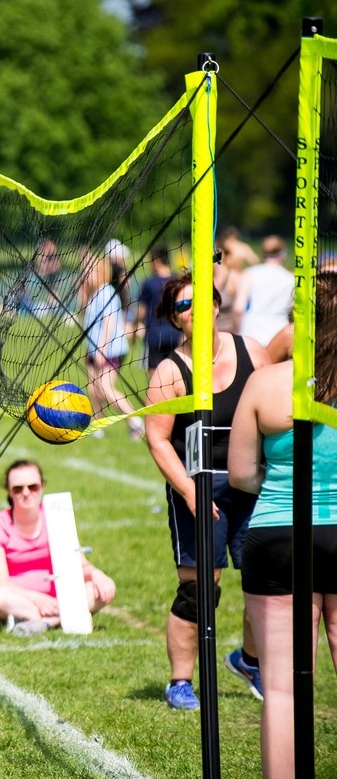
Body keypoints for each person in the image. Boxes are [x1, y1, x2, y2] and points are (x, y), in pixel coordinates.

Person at [144, 272, 270, 711]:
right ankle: (180, 682)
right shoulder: (169, 370)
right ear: (175, 320)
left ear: (217, 305)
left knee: (265, 581)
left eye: (201, 300)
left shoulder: (250, 351)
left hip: (252, 482)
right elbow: (157, 438)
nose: (194, 309)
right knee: (200, 591)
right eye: (183, 305)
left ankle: (249, 661)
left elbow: (273, 405)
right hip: (198, 485)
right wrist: (189, 492)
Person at [229, 271, 337, 779]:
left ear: (298, 322)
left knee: (281, 688)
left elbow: (242, 474)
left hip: (277, 532)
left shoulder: (266, 382)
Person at [0, 461, 115, 636]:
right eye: (18, 489)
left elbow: (80, 566)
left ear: (42, 486)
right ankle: (63, 615)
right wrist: (37, 599)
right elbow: (1, 583)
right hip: (22, 601)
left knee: (104, 586)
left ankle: (46, 621)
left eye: (33, 487)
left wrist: (96, 573)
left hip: (61, 597)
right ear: (8, 491)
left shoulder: (58, 517)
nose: (26, 493)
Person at [82, 257, 144, 440]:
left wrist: (101, 350)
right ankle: (97, 425)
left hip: (109, 350)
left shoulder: (107, 292)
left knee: (106, 388)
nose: (86, 275)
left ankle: (136, 422)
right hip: (94, 350)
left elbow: (109, 324)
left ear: (101, 273)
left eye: (90, 272)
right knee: (93, 389)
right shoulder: (94, 293)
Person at [232, 235, 293, 348]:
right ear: (283, 254)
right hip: (278, 334)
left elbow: (238, 308)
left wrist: (236, 329)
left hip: (251, 334)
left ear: (262, 253)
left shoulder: (249, 273)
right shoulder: (291, 278)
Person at [135, 245, 181, 375]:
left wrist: (134, 329)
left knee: (155, 377)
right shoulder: (178, 280)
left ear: (156, 261)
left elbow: (141, 311)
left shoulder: (149, 283)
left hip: (155, 336)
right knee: (175, 374)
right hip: (176, 335)